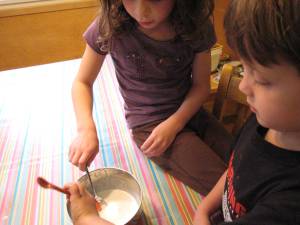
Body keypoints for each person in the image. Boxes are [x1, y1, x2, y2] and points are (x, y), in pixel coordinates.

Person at [69, 0, 232, 195]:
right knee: (227, 190)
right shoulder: (110, 24)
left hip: (190, 112)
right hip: (148, 125)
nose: (141, 12)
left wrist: (175, 123)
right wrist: (85, 129)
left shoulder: (195, 25)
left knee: (246, 166)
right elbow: (82, 82)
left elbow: (201, 86)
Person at [194, 0, 300, 224]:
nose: (243, 86)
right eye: (245, 68)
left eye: (261, 79)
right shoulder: (265, 122)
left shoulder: (289, 204)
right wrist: (204, 208)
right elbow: (235, 171)